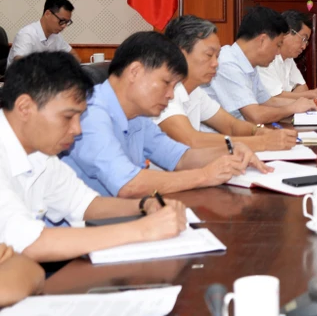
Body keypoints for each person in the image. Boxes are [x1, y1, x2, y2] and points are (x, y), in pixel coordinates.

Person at [0, 52, 188, 263]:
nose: (77, 129)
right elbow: (31, 244)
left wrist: (145, 205)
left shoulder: (40, 152)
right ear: (25, 108)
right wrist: (142, 230)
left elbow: (85, 204)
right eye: (68, 117)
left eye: (80, 117)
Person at [63, 32, 267, 197]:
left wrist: (232, 150)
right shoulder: (89, 113)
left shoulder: (137, 115)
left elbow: (180, 157)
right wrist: (204, 176)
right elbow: (128, 184)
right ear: (135, 71)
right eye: (166, 83)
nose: (170, 95)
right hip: (79, 234)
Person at [157, 15, 299, 151]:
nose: (216, 63)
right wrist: (261, 142)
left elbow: (231, 125)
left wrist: (261, 132)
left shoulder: (195, 92)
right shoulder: (163, 94)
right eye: (209, 55)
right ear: (180, 53)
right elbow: (191, 140)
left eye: (217, 56)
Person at [203, 7, 317, 124]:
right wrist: (292, 108)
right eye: (278, 45)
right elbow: (255, 116)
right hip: (219, 138)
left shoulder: (248, 63)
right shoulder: (228, 63)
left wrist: (312, 103)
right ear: (262, 40)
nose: (278, 52)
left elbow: (268, 102)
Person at [256, 11, 317, 109]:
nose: (304, 46)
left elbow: (302, 88)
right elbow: (273, 98)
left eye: (306, 41)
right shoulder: (265, 58)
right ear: (287, 32)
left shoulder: (288, 58)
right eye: (303, 39)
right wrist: (314, 94)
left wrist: (290, 98)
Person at [7, 0, 76, 67]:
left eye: (67, 22)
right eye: (62, 21)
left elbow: (74, 56)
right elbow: (21, 65)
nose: (64, 26)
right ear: (47, 14)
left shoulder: (57, 36)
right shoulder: (26, 34)